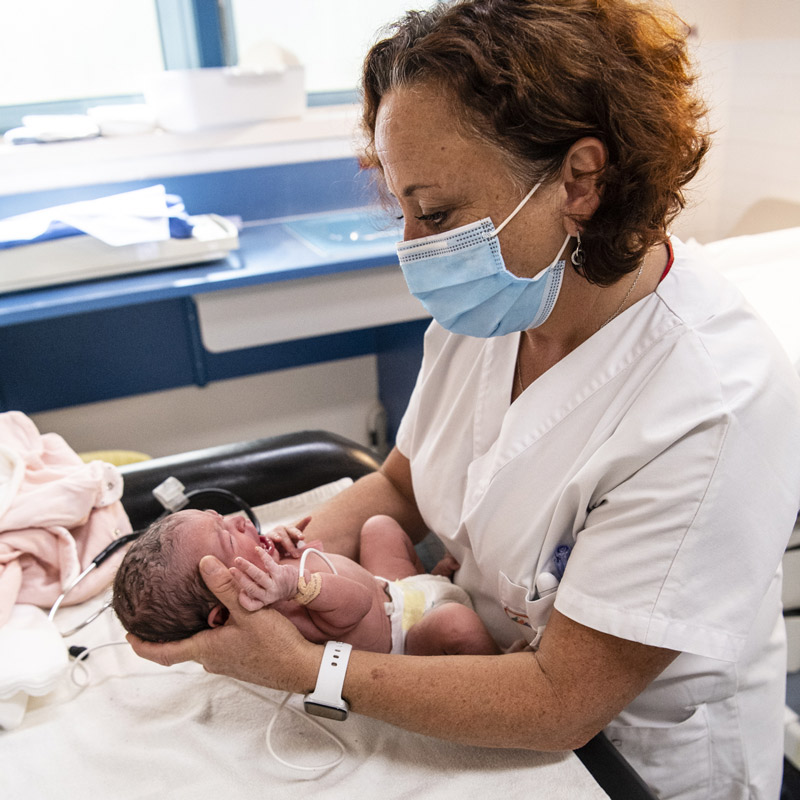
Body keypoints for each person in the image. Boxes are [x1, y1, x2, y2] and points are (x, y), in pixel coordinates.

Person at [127, 2, 800, 798]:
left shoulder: (708, 404)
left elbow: (562, 703)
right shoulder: (500, 306)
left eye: (436, 212)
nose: (412, 246)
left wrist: (308, 667)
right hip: (462, 671)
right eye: (402, 207)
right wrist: (264, 560)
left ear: (580, 180)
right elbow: (403, 486)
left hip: (625, 764)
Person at [112, 510, 499, 656]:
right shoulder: (279, 615)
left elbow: (337, 566)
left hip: (395, 589)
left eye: (220, 516)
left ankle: (433, 577)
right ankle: (499, 662)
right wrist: (294, 584)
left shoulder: (272, 579)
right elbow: (355, 604)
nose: (239, 520)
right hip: (407, 636)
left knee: (377, 526)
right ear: (225, 605)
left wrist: (291, 551)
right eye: (229, 538)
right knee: (457, 625)